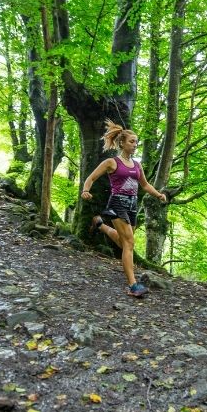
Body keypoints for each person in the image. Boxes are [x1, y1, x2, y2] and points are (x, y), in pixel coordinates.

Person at [80, 119, 167, 297]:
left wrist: (158, 195)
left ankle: (100, 225)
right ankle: (133, 285)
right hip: (117, 203)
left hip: (132, 205)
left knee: (123, 241)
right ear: (122, 143)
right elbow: (91, 177)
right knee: (129, 243)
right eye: (132, 141)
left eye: (136, 142)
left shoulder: (137, 165)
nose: (135, 145)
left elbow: (145, 185)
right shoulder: (111, 162)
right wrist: (85, 190)